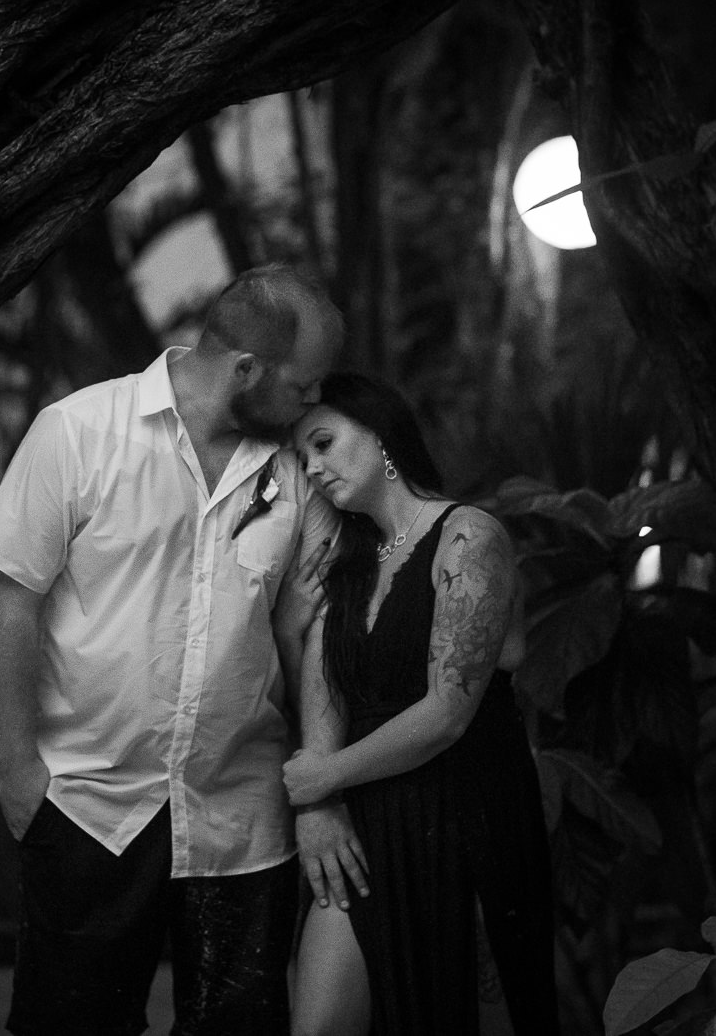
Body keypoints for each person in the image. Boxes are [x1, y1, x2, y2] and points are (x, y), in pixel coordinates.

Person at [0, 264, 347, 1036]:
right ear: (247, 370)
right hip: (86, 807)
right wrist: (17, 773)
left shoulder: (295, 470)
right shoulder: (78, 430)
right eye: (304, 386)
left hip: (243, 817)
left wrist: (319, 787)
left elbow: (310, 637)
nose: (314, 404)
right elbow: (9, 600)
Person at [283, 372, 558, 1036]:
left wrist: (326, 778)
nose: (313, 468)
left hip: (467, 809)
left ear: (379, 431)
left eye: (323, 443)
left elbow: (447, 712)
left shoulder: (470, 535)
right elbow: (324, 696)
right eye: (303, 459)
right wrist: (319, 806)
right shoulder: (343, 564)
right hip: (365, 823)